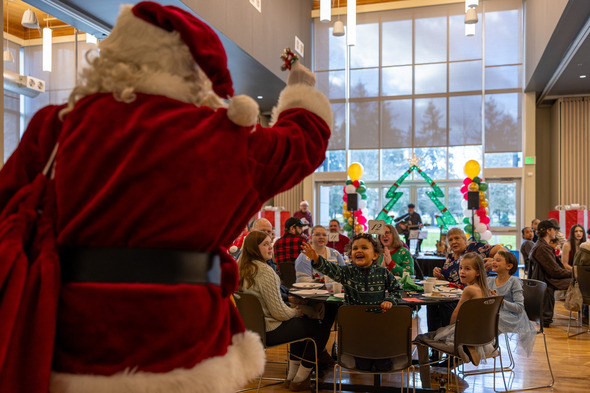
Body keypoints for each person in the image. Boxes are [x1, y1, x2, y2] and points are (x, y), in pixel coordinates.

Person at [0, 3, 333, 391]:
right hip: (186, 342)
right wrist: (299, 93)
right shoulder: (223, 139)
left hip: (74, 337)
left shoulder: (57, 126)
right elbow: (302, 144)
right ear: (199, 73)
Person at [238, 231, 336, 391]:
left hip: (253, 331)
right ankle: (300, 379)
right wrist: (296, 312)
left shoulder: (243, 269)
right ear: (254, 248)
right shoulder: (264, 271)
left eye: (270, 243)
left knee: (302, 327)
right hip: (270, 331)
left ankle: (291, 378)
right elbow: (279, 313)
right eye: (265, 244)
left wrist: (293, 310)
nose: (271, 247)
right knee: (320, 328)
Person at [302, 233, 403, 372]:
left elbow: (397, 289)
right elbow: (331, 269)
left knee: (383, 366)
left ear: (375, 255)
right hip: (356, 329)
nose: (359, 251)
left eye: (364, 247)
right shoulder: (347, 272)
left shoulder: (383, 272)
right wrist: (317, 259)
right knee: (363, 366)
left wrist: (390, 300)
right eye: (355, 249)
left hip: (379, 327)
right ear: (351, 255)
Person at [416, 253, 494, 386]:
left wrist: (449, 327)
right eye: (461, 268)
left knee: (421, 338)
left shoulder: (469, 289)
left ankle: (426, 384)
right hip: (481, 333)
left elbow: (456, 313)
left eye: (467, 269)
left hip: (465, 333)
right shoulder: (485, 289)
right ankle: (457, 357)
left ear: (478, 272)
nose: (462, 272)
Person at [429, 228, 504, 332]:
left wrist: (494, 261)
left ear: (465, 239)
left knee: (442, 306)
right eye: (450, 240)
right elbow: (449, 280)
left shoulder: (475, 248)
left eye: (457, 238)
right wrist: (440, 276)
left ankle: (447, 336)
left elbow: (503, 251)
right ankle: (435, 339)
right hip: (451, 295)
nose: (453, 241)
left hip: (467, 298)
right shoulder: (450, 256)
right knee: (432, 305)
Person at [488, 251, 537, 356]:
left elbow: (519, 308)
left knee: (490, 318)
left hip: (513, 317)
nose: (493, 262)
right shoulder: (490, 280)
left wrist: (501, 301)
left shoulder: (514, 282)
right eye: (493, 260)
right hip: (496, 313)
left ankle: (488, 347)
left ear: (509, 266)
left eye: (498, 260)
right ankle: (480, 345)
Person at [529, 220, 572, 327]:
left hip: (546, 279)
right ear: (548, 231)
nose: (555, 233)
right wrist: (574, 273)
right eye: (554, 230)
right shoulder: (542, 248)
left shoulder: (541, 245)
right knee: (581, 282)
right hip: (546, 280)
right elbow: (555, 271)